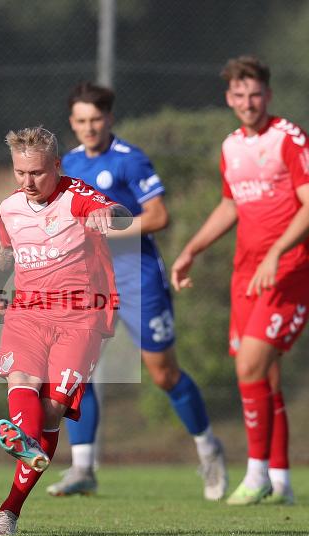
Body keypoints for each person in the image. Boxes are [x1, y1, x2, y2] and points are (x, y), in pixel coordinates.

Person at [48, 82, 228, 501]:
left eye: (96, 119)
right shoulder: (68, 164)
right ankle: (83, 468)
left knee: (164, 374)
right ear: (72, 123)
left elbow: (160, 215)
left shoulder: (129, 160)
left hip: (137, 277)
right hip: (89, 280)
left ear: (109, 118)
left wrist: (111, 229)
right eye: (81, 121)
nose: (89, 128)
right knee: (74, 371)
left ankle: (209, 449)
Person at [170, 56, 309, 506]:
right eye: (239, 95)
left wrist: (277, 252)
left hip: (289, 269)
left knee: (250, 368)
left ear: (268, 96)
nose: (248, 103)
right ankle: (281, 481)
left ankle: (256, 475)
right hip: (247, 273)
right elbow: (231, 205)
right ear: (229, 98)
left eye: (255, 94)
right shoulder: (231, 146)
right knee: (265, 376)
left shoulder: (289, 138)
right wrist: (192, 249)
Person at [0, 126, 129, 536]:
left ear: (57, 166)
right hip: (27, 313)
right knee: (21, 381)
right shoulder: (10, 207)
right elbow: (6, 250)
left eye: (37, 173)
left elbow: (118, 213)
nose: (28, 182)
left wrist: (109, 215)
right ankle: (21, 467)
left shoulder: (77, 196)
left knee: (51, 412)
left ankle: (13, 501)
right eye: (20, 172)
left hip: (80, 318)